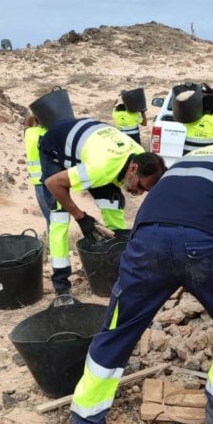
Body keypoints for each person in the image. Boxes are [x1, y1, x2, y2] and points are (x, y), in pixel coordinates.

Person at [69, 122, 213, 424]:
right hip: (204, 244)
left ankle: (86, 420)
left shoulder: (193, 156)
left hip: (146, 243)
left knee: (119, 325)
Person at [41, 117, 166, 295]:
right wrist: (80, 217)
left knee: (113, 204)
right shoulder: (100, 168)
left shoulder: (139, 154)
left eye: (145, 191)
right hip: (56, 146)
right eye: (140, 186)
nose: (139, 193)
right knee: (60, 213)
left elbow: (120, 177)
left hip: (94, 144)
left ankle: (118, 264)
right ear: (133, 169)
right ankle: (61, 284)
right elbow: (53, 183)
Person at [178, 83, 213, 155]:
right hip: (206, 164)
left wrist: (194, 93)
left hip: (187, 163)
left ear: (199, 107)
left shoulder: (191, 118)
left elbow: (182, 103)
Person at [23, 114, 50, 227]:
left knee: (49, 218)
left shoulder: (29, 133)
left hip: (37, 182)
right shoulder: (47, 133)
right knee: (58, 218)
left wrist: (33, 115)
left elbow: (27, 125)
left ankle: (51, 242)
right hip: (50, 181)